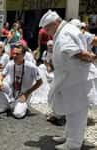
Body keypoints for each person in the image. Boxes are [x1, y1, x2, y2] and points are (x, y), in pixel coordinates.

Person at [39, 10, 97, 149]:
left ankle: (74, 143)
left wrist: (93, 58)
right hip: (72, 78)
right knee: (71, 109)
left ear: (55, 23)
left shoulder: (64, 33)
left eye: (48, 28)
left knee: (77, 111)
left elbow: (77, 53)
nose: (47, 32)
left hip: (76, 79)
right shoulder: (67, 29)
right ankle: (68, 135)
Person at [0, 44, 42, 119]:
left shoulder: (31, 66)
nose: (14, 56)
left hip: (23, 95)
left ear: (23, 55)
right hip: (12, 91)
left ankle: (23, 105)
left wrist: (27, 94)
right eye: (13, 53)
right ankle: (4, 105)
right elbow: (1, 76)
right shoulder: (10, 64)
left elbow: (40, 82)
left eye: (17, 54)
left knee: (18, 114)